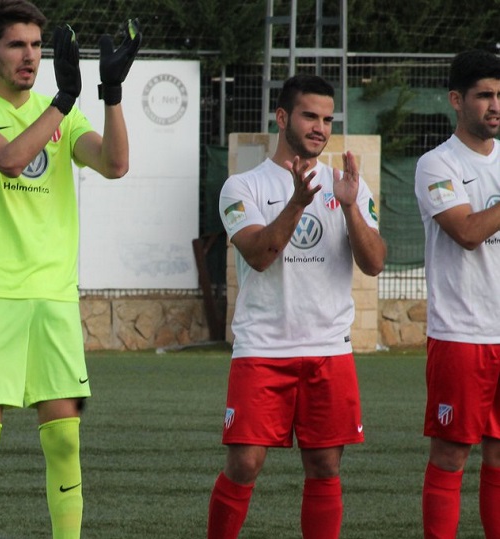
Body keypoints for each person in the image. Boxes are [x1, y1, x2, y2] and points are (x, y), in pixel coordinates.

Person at [0, 1, 140, 537]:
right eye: (16, 45)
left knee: (64, 438)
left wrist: (111, 94)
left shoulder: (65, 113)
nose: (29, 56)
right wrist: (64, 101)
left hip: (54, 296)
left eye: (36, 45)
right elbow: (7, 157)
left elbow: (116, 164)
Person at [208, 74, 387, 539]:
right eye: (310, 115)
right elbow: (258, 255)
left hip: (329, 347)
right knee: (245, 463)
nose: (320, 128)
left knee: (325, 465)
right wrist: (296, 202)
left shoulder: (345, 184)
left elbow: (374, 263)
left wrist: (349, 208)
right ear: (283, 117)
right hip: (263, 347)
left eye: (328, 119)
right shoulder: (241, 186)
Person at [415, 49, 500, 539]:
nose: (495, 105)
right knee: (451, 455)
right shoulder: (437, 164)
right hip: (461, 334)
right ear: (456, 100)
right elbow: (466, 231)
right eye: (484, 95)